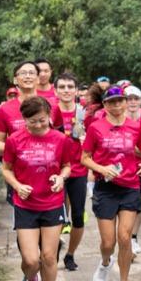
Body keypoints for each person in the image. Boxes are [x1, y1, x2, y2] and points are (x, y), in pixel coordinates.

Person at [0, 95, 74, 281]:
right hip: (26, 205)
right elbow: (6, 168)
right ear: (24, 119)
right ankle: (31, 280)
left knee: (49, 256)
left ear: (49, 116)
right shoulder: (15, 140)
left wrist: (61, 178)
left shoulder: (60, 139)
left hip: (52, 203)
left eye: (42, 120)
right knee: (31, 260)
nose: (39, 125)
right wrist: (17, 185)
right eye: (33, 121)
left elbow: (68, 166)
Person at [83, 84, 141, 281]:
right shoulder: (96, 127)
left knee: (124, 237)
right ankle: (105, 263)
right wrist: (101, 169)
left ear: (125, 102)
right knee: (108, 242)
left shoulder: (135, 125)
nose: (117, 105)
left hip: (129, 186)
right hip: (106, 188)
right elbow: (84, 157)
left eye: (120, 101)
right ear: (105, 105)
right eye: (112, 102)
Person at [52, 73, 89, 270]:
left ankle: (70, 254)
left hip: (79, 171)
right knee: (55, 216)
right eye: (62, 87)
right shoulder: (51, 113)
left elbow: (95, 135)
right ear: (56, 90)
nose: (66, 90)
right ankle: (52, 249)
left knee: (78, 215)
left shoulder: (84, 113)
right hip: (55, 172)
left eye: (70, 87)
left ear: (76, 90)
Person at [124, 84, 141, 257]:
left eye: (135, 98)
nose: (132, 102)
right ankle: (125, 237)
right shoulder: (117, 118)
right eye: (129, 98)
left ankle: (133, 236)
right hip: (123, 167)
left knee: (140, 202)